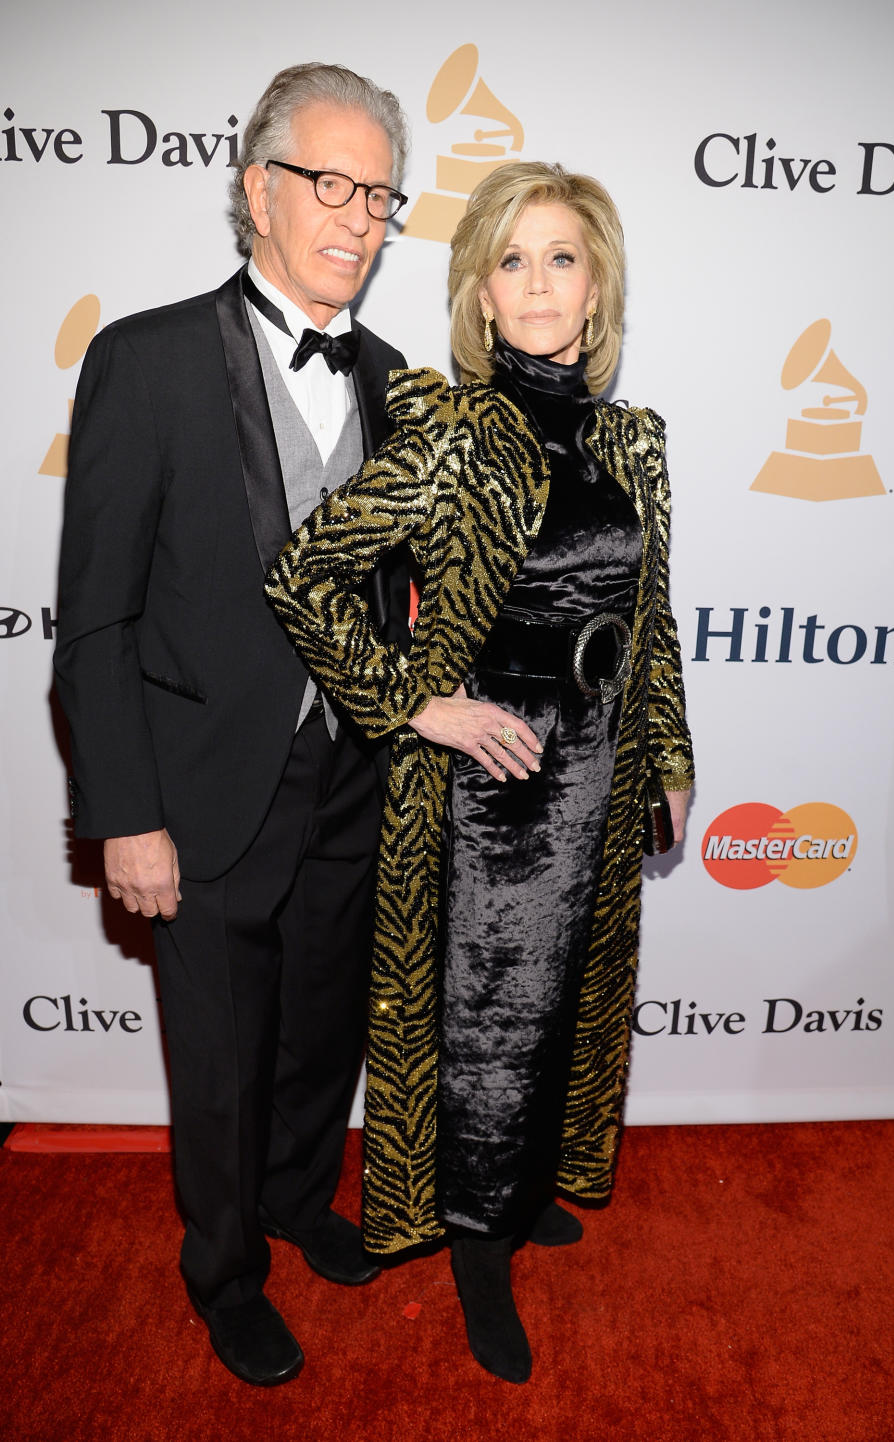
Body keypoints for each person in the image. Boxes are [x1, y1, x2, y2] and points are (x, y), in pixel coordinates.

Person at [265, 161, 695, 1383]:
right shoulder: (455, 432)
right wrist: (418, 702)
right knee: (488, 1029)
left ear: (597, 278)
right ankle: (474, 1245)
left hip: (601, 775)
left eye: (563, 256)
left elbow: (652, 619)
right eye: (513, 259)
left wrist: (666, 751)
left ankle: (520, 1189)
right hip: (495, 796)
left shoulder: (633, 439)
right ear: (480, 293)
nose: (541, 281)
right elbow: (305, 574)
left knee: (568, 1008)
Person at [53, 63, 411, 1387]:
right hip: (198, 787)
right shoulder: (143, 361)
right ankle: (224, 1273)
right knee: (216, 1051)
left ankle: (298, 1196)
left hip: (352, 777)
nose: (359, 216)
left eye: (379, 193)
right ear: (257, 189)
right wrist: (124, 812)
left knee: (322, 1020)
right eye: (331, 182)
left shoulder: (390, 376)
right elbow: (94, 618)